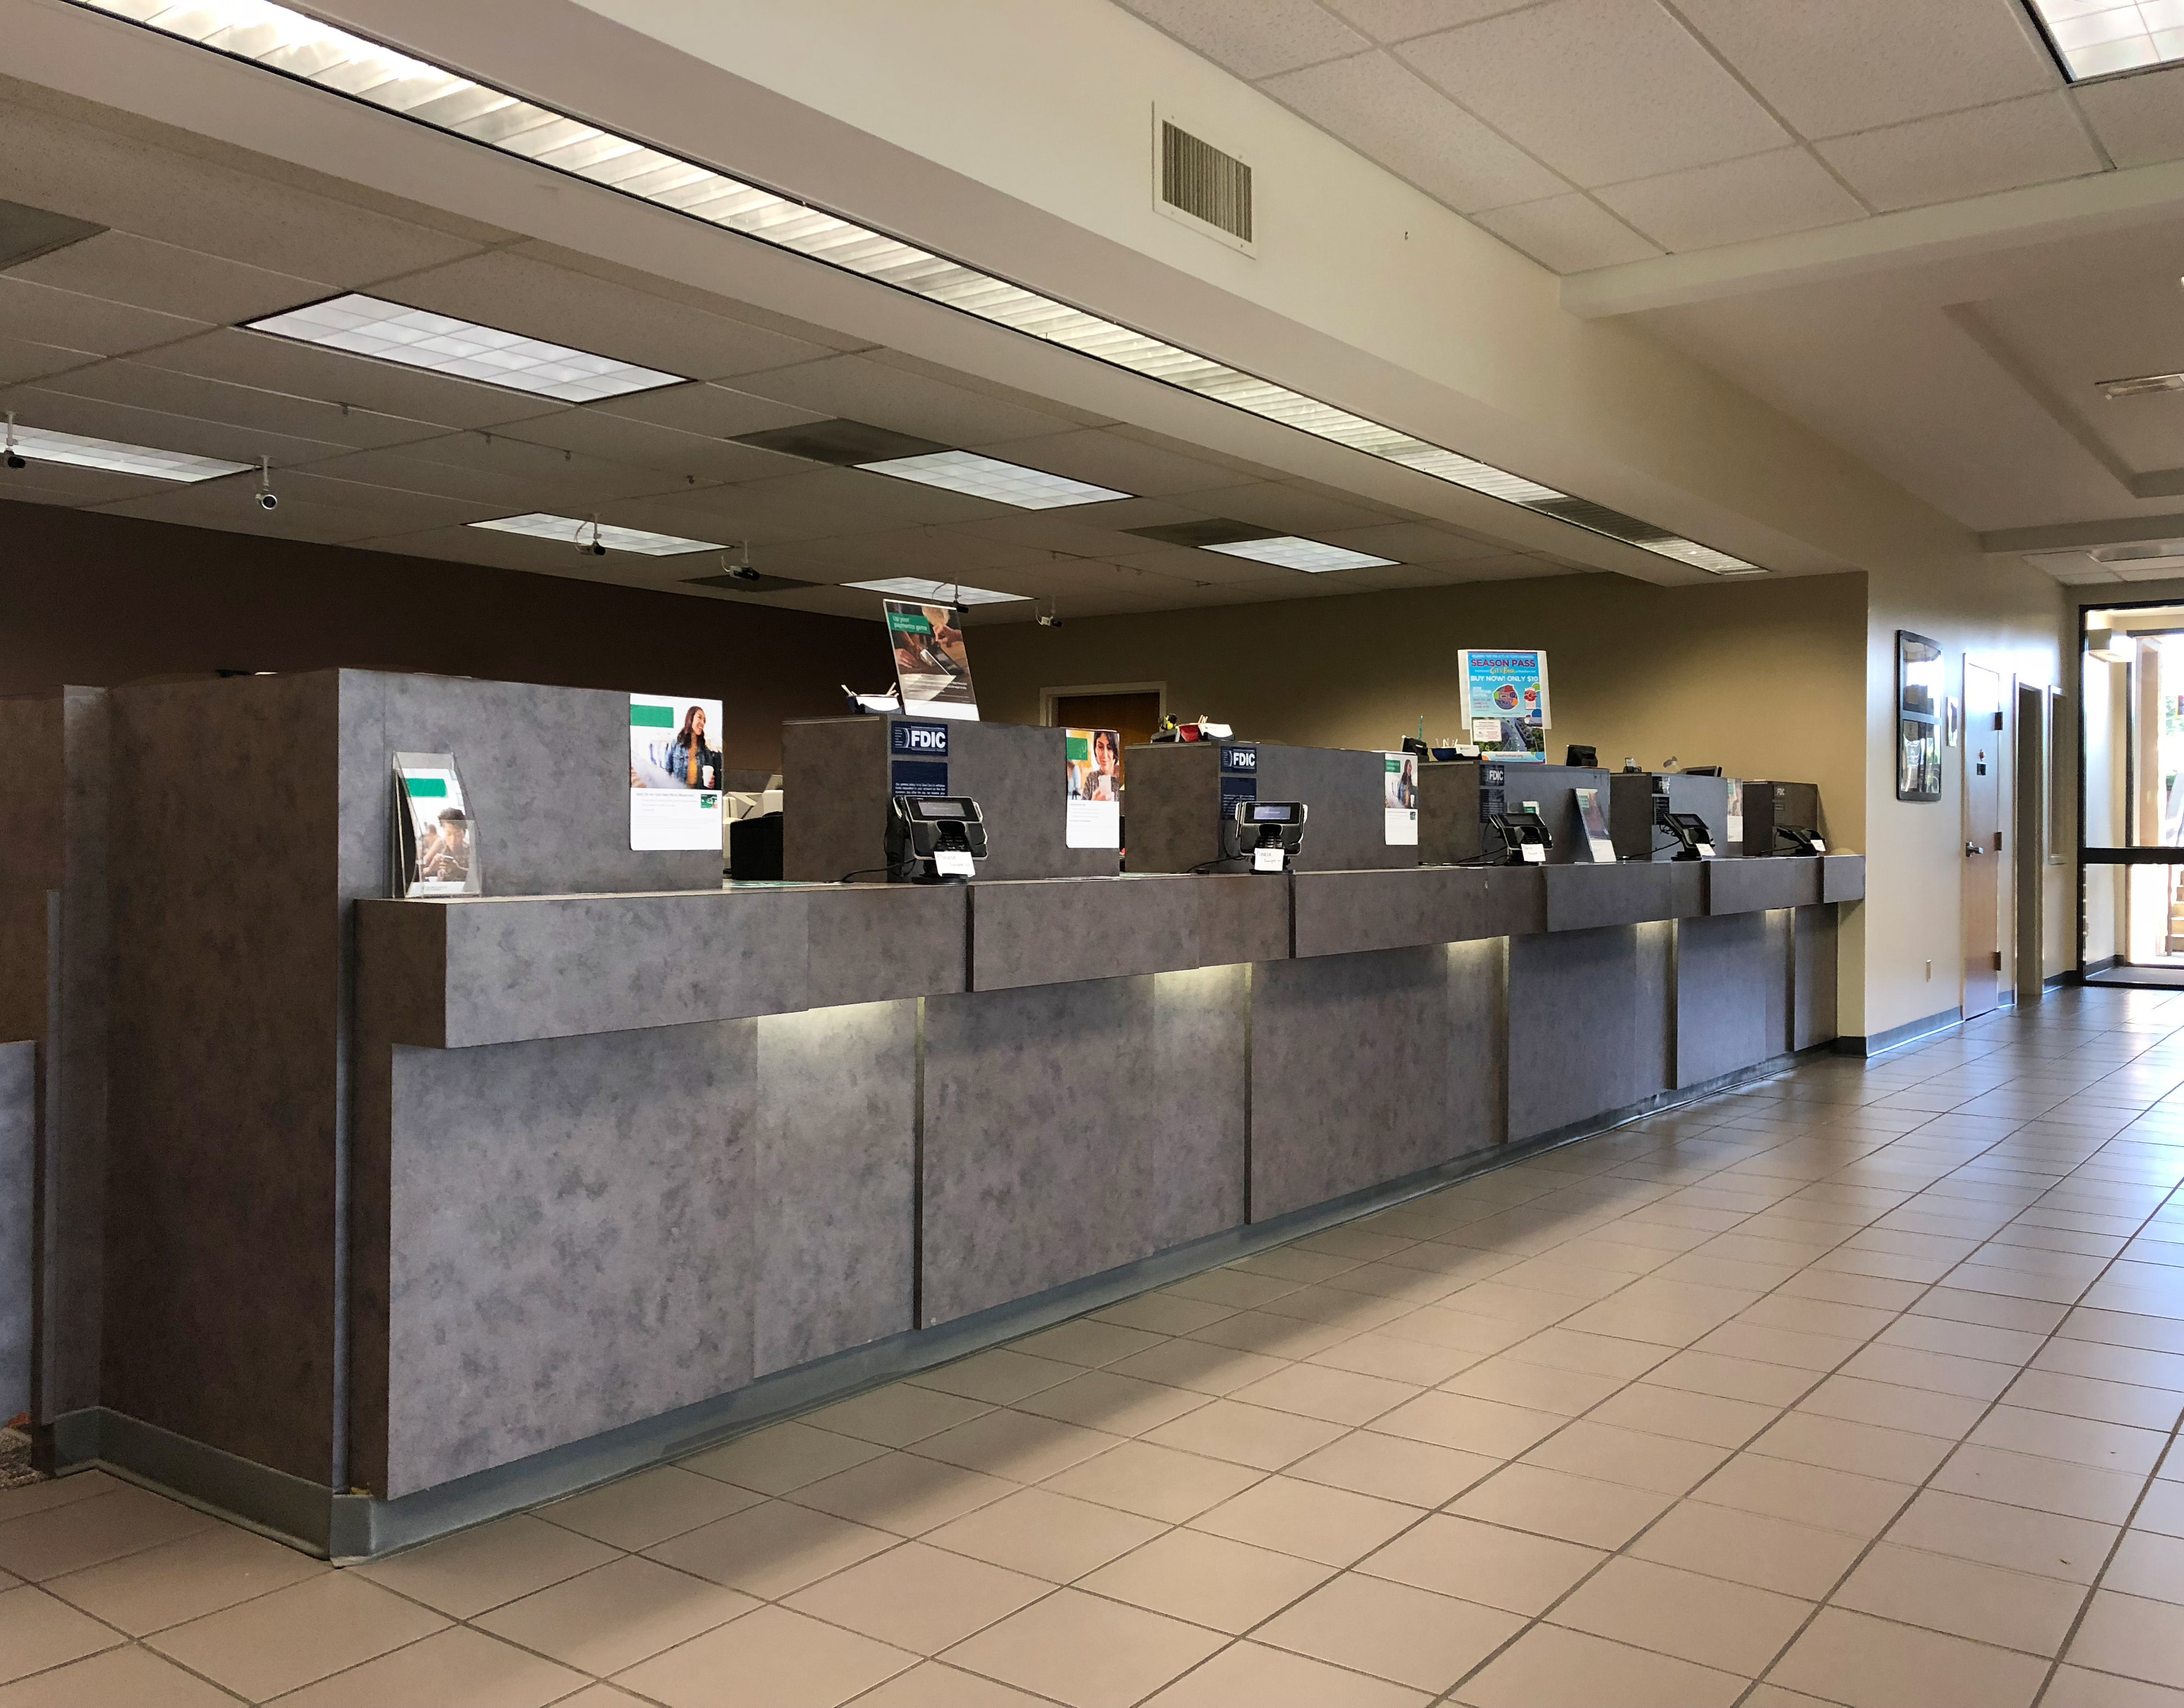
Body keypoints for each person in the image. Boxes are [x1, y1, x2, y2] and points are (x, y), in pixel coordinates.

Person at [665, 705, 720, 791]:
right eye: (700, 718)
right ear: (691, 718)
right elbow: (668, 773)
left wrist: (711, 783)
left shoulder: (705, 751)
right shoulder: (675, 745)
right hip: (679, 793)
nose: (703, 723)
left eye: (704, 721)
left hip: (697, 795)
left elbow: (710, 779)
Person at [417, 805, 471, 883]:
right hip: (442, 889)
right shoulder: (441, 844)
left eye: (458, 834)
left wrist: (458, 870)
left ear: (464, 833)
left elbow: (480, 875)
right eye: (448, 834)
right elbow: (418, 872)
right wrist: (431, 869)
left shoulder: (471, 848)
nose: (453, 840)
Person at [1085, 729, 1122, 802]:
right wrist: (1094, 803)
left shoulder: (1123, 778)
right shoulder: (1091, 778)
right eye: (1100, 747)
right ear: (1095, 749)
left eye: (1109, 748)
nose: (1105, 755)